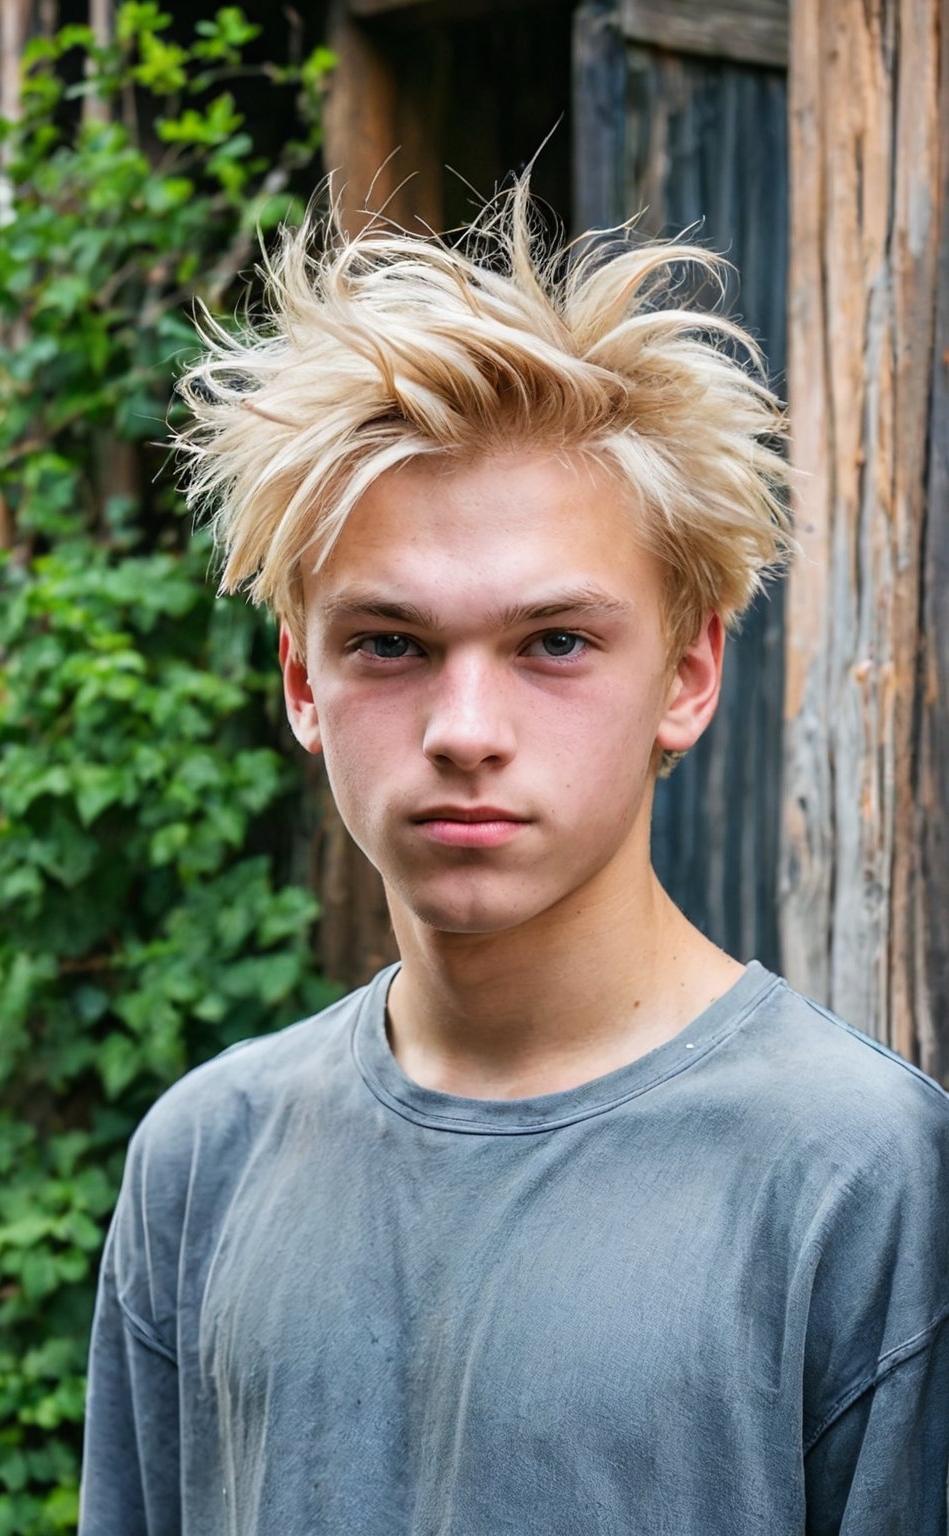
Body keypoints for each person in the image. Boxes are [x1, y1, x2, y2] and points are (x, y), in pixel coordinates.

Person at [79, 186, 949, 1535]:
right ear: (303, 682)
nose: (465, 733)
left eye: (554, 643)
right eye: (391, 644)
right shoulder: (203, 1160)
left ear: (688, 671)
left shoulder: (867, 1179)